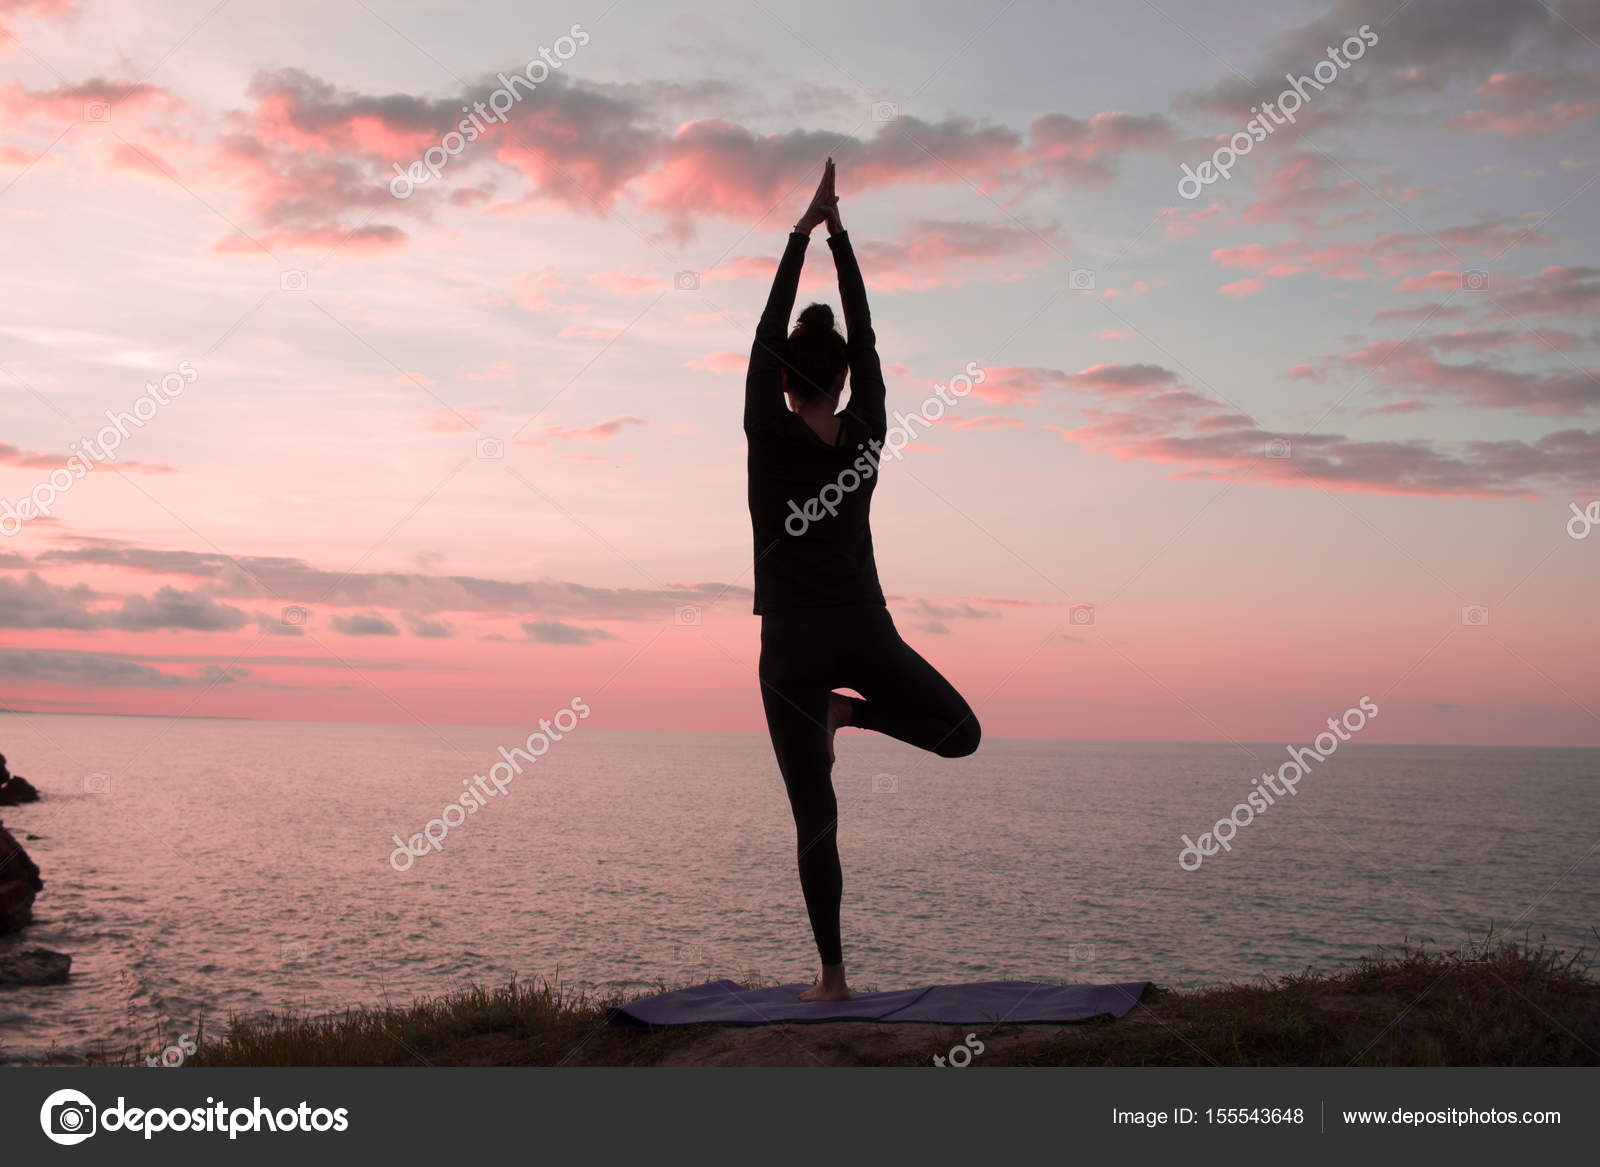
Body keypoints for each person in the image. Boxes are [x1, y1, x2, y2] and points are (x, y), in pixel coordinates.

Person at [744, 158, 981, 1002]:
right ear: (843, 381)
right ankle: (860, 715)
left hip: (793, 649)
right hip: (862, 629)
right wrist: (841, 237)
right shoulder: (869, 436)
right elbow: (868, 339)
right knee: (962, 733)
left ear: (780, 379)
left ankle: (833, 980)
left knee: (817, 816)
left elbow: (769, 334)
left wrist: (800, 232)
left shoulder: (767, 439)